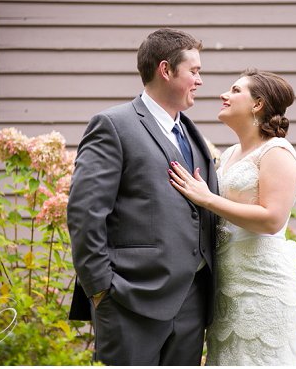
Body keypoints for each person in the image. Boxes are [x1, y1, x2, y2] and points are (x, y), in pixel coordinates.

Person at [67, 28, 218, 365]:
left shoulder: (191, 132)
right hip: (129, 299)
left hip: (193, 301)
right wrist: (101, 288)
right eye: (194, 71)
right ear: (166, 70)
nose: (200, 81)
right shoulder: (113, 125)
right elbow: (85, 213)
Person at [168, 69, 296, 365]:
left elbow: (272, 219)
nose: (223, 95)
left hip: (262, 289)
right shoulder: (230, 154)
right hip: (226, 290)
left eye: (235, 90)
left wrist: (207, 198)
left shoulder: (277, 152)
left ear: (257, 104)